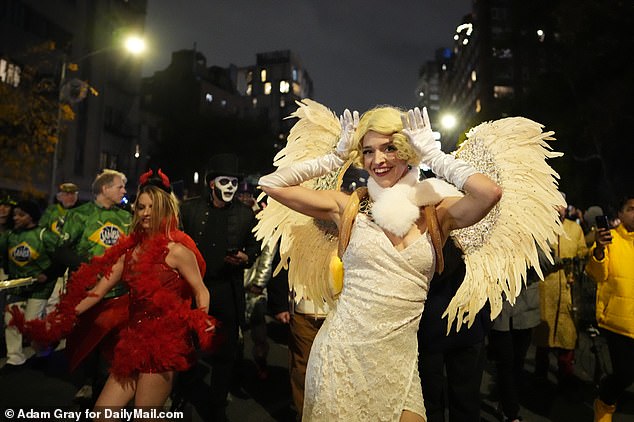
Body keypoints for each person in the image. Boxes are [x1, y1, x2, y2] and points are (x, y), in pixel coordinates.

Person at [259, 106, 502, 421]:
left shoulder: (436, 211)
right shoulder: (348, 207)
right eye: (368, 151)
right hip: (341, 355)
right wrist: (334, 158)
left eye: (389, 148)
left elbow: (489, 193)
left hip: (399, 365)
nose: (379, 160)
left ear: (406, 149)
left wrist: (434, 155)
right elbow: (271, 184)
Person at [11, 169, 215, 412]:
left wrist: (201, 319)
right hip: (132, 340)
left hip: (164, 343)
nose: (146, 213)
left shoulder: (177, 251)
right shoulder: (129, 252)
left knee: (145, 417)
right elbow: (98, 291)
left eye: (152, 207)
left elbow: (201, 290)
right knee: (102, 413)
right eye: (141, 207)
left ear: (164, 210)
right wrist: (60, 318)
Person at [180, 153, 260, 421]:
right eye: (224, 181)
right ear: (212, 183)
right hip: (193, 290)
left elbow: (255, 246)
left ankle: (217, 407)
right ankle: (182, 394)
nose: (230, 187)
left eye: (234, 183)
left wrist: (246, 257)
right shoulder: (189, 209)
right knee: (187, 345)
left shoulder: (245, 214)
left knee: (225, 354)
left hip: (228, 289)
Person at [51, 169, 131, 402]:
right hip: (85, 292)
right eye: (120, 187)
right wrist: (88, 266)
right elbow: (60, 249)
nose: (125, 191)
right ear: (105, 188)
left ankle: (104, 390)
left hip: (117, 294)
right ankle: (86, 382)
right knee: (86, 341)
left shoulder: (126, 217)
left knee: (111, 346)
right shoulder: (79, 215)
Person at [417, 238, 491, 422]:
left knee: (433, 401)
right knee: (459, 401)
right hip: (456, 322)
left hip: (439, 322)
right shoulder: (472, 217)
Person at [586, 194, 634, 422]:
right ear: (620, 214)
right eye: (632, 208)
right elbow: (596, 273)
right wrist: (598, 250)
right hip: (617, 322)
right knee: (624, 375)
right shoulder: (610, 240)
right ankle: (604, 403)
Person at [533, 200, 588, 387]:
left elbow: (582, 250)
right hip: (545, 289)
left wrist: (579, 258)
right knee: (543, 336)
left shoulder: (575, 229)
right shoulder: (540, 228)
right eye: (555, 205)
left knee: (567, 334)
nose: (560, 210)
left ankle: (566, 375)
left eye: (562, 206)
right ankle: (540, 375)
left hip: (567, 287)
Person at [0, 200, 57, 373]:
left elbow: (58, 259)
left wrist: (46, 274)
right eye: (15, 214)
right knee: (11, 320)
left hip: (40, 288)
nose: (16, 218)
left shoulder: (44, 235)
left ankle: (42, 352)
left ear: (31, 216)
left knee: (33, 324)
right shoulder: (9, 236)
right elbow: (3, 258)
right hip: (18, 286)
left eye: (21, 214)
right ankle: (14, 358)